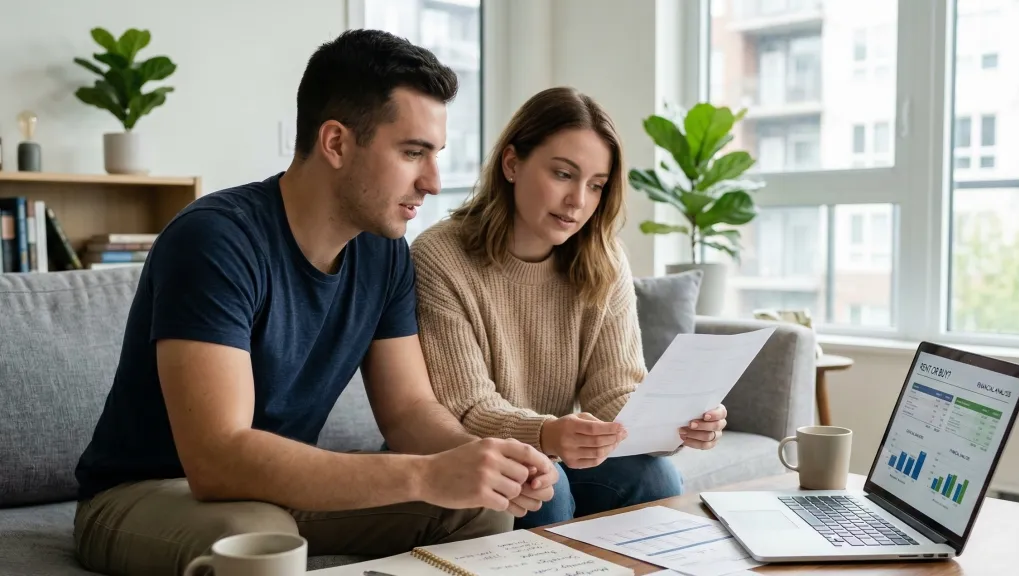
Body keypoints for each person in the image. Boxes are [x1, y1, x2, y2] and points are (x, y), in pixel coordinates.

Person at [72, 29, 558, 575]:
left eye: (436, 155)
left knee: (476, 509)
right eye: (412, 153)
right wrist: (422, 476)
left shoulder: (386, 252)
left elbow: (409, 412)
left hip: (279, 490)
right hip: (150, 492)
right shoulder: (215, 240)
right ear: (335, 142)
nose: (433, 182)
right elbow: (217, 458)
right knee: (255, 538)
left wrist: (475, 460)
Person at [410, 86, 729, 529]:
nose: (579, 201)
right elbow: (465, 406)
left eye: (596, 185)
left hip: (552, 451)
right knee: (548, 489)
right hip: (475, 457)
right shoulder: (439, 257)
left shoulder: (604, 257)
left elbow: (614, 390)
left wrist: (673, 421)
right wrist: (546, 434)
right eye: (563, 174)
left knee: (655, 477)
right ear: (512, 164)